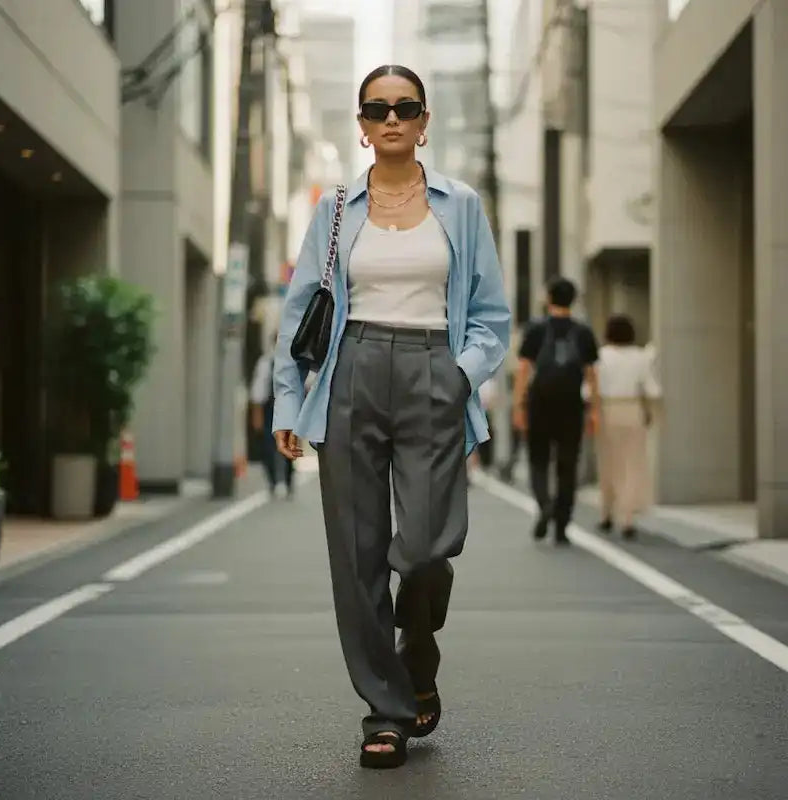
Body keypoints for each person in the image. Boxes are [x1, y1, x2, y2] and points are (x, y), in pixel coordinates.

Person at [272, 64, 510, 769]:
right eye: (378, 109)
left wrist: (459, 375)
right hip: (351, 373)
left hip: (435, 371)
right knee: (358, 554)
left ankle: (419, 650)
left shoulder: (460, 205)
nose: (393, 118)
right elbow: (299, 317)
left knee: (429, 548)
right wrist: (292, 399)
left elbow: (492, 316)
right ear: (363, 124)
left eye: (406, 107)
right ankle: (387, 709)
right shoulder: (336, 209)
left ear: (426, 120)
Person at [512, 277, 599, 545]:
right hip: (571, 404)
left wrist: (519, 406)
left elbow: (524, 369)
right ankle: (561, 526)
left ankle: (545, 505)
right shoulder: (583, 332)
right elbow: (591, 374)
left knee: (538, 461)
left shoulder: (535, 329)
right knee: (567, 465)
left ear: (549, 298)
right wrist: (594, 410)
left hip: (540, 403)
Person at [595, 314, 661, 539]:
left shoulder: (601, 356)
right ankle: (628, 518)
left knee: (608, 463)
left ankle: (606, 513)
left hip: (606, 409)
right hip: (633, 408)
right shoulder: (641, 357)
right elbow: (652, 389)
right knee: (633, 464)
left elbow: (589, 389)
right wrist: (650, 412)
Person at [250, 340, 294, 498]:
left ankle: (287, 481)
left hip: (289, 408)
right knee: (269, 446)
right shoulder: (266, 362)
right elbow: (257, 393)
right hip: (270, 408)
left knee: (288, 445)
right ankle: (274, 481)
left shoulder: (294, 361)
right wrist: (257, 416)